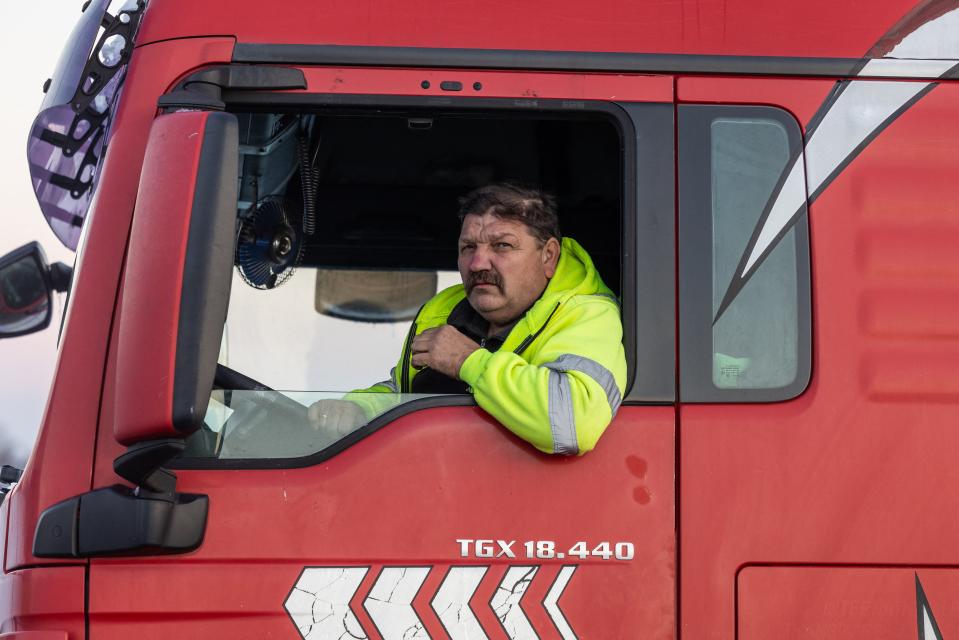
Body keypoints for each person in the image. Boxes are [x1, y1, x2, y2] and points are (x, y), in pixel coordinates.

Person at [309, 183, 626, 455]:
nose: (476, 263)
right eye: (468, 247)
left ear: (549, 256)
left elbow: (571, 422)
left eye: (502, 245)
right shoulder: (442, 310)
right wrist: (359, 409)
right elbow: (402, 391)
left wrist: (467, 361)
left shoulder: (587, 313)